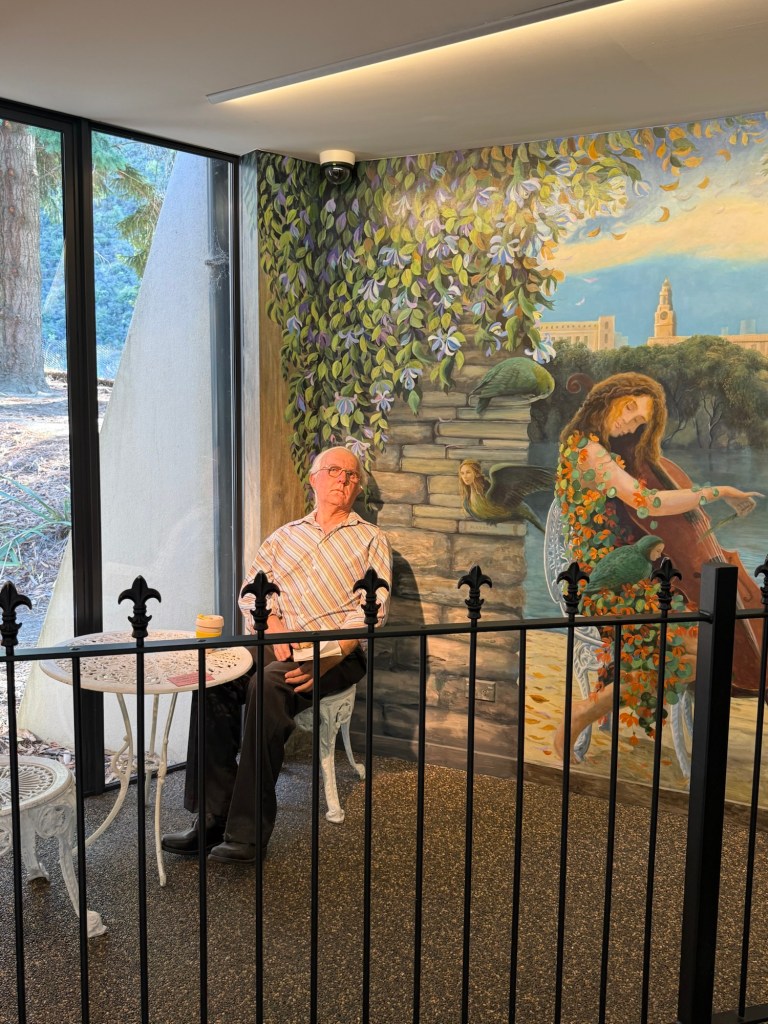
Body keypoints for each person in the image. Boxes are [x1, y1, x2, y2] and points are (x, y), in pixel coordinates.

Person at [162, 446, 392, 863]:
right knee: (214, 675)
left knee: (269, 686)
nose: (344, 479)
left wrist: (327, 654)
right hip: (280, 643)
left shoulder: (371, 539)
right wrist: (273, 625)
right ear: (314, 478)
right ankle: (212, 817)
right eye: (335, 470)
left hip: (339, 653)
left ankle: (248, 833)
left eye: (352, 475)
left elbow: (372, 612)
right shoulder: (284, 537)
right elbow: (251, 594)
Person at [553, 372, 763, 763]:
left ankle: (593, 706)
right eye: (629, 408)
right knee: (693, 648)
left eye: (639, 421)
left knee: (695, 647)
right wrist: (717, 492)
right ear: (610, 397)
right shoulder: (588, 451)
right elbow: (646, 503)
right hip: (606, 581)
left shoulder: (607, 451)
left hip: (635, 573)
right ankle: (583, 711)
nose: (630, 423)